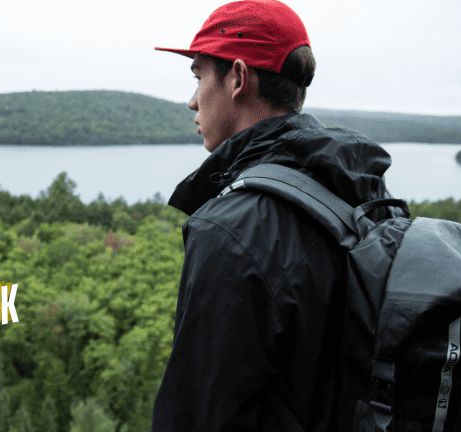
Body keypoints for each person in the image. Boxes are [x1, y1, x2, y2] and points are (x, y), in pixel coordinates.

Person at [152, 1, 399, 431]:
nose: (192, 101)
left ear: (238, 78)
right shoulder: (359, 191)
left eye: (198, 77)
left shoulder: (231, 230)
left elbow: (199, 415)